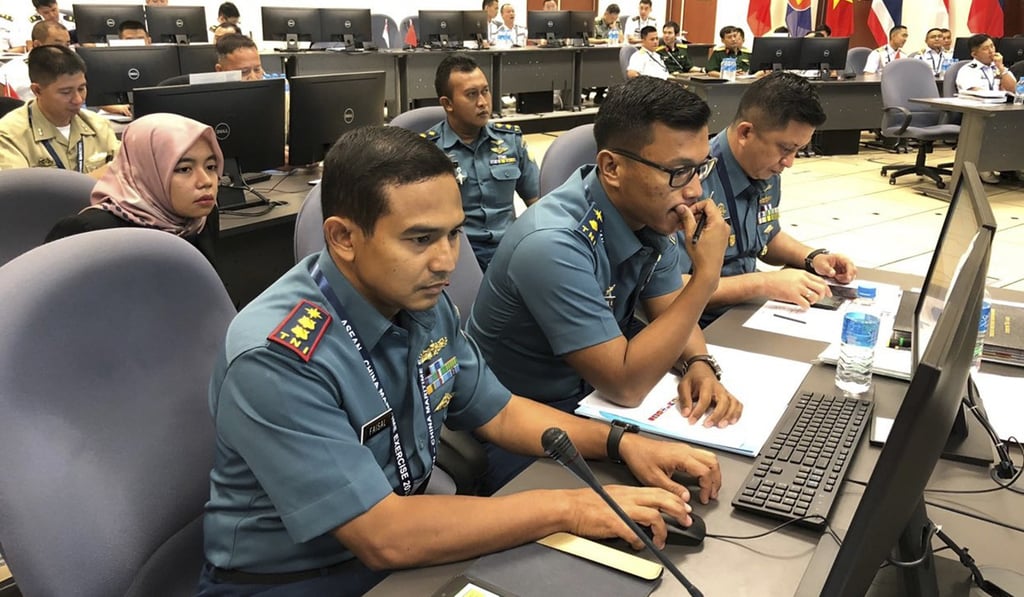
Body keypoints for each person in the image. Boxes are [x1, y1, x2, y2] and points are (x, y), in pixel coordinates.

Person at [198, 125, 723, 595]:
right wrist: (574, 507)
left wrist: (622, 444)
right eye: (420, 239)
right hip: (299, 577)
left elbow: (501, 413)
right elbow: (384, 538)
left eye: (454, 234)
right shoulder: (277, 356)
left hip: (408, 537)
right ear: (343, 238)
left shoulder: (420, 299)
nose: (447, 260)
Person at [468, 77, 742, 492]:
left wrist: (700, 365)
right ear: (612, 167)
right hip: (525, 427)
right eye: (678, 172)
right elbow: (626, 384)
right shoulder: (553, 243)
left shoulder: (651, 212)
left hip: (597, 406)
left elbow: (670, 310)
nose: (695, 189)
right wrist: (706, 276)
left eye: (701, 167)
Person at [675, 72, 856, 327]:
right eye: (785, 149)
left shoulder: (764, 166)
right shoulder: (691, 184)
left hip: (748, 308)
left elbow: (766, 236)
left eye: (798, 150)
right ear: (746, 133)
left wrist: (811, 257)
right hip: (700, 323)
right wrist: (762, 283)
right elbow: (670, 289)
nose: (790, 163)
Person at [45, 113, 221, 264]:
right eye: (184, 169)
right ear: (147, 171)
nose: (205, 181)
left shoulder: (201, 219)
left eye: (211, 167)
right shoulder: (91, 231)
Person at [423, 54, 539, 271]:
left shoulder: (510, 141)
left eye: (485, 91)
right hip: (459, 256)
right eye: (471, 95)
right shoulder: (429, 151)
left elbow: (537, 202)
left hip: (510, 249)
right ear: (447, 104)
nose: (483, 102)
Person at [0, 45, 118, 174]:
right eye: (66, 92)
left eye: (81, 89)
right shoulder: (9, 135)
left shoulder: (98, 125)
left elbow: (127, 171)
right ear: (37, 91)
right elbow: (20, 190)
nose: (78, 100)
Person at [956, 34, 1016, 184]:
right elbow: (975, 92)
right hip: (976, 113)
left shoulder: (996, 68)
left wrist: (1001, 68)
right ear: (974, 54)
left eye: (992, 46)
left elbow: (1013, 88)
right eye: (985, 48)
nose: (991, 51)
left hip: (1000, 110)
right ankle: (982, 166)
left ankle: (1013, 166)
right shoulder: (968, 70)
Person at [0, 20, 69, 102]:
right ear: (37, 45)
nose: (65, 50)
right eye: (58, 45)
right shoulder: (9, 73)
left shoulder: (73, 67)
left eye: (67, 45)